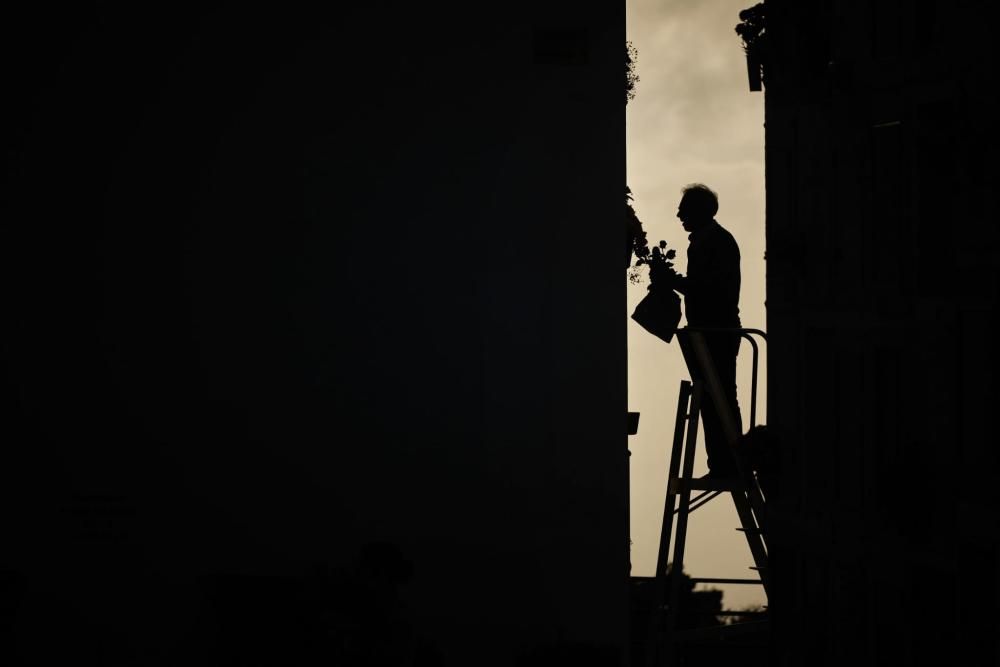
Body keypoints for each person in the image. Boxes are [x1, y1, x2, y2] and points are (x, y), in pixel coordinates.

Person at [652, 184, 742, 478]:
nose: (678, 214)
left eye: (685, 209)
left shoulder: (714, 242)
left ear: (700, 212)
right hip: (709, 333)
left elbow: (707, 290)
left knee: (720, 398)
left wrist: (672, 280)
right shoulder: (710, 241)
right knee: (717, 398)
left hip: (716, 333)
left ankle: (727, 464)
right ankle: (723, 463)